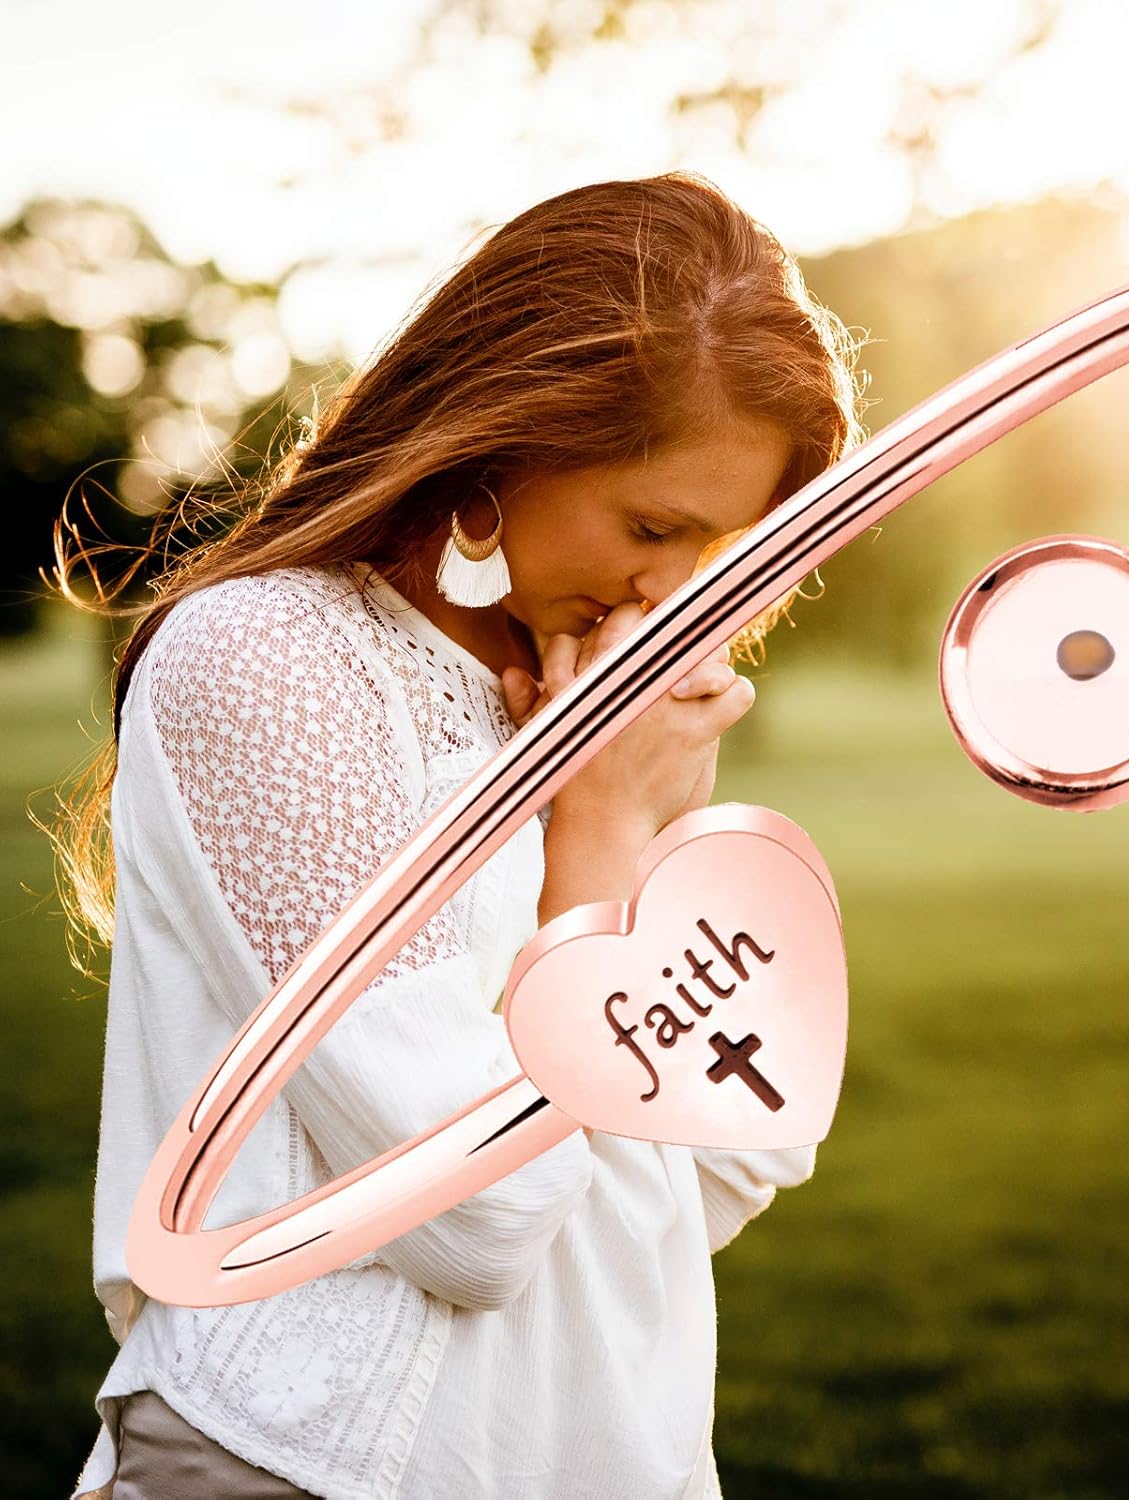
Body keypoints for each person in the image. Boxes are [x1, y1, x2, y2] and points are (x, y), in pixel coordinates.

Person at [50, 169, 871, 1498]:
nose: (677, 593)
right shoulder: (266, 663)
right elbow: (481, 1219)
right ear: (501, 443)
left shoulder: (595, 697)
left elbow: (734, 1155)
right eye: (652, 525)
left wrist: (658, 818)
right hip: (300, 1463)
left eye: (721, 544)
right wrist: (598, 840)